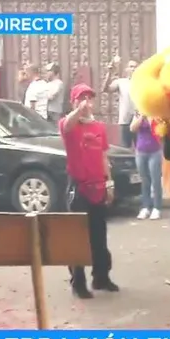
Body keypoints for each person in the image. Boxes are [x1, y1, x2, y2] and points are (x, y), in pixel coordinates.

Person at [60, 84, 120, 298]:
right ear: (73, 102)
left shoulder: (99, 128)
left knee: (99, 235)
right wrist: (79, 111)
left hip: (98, 186)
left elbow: (104, 157)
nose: (86, 103)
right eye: (81, 98)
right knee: (78, 236)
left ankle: (101, 277)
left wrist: (109, 183)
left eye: (89, 99)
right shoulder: (69, 126)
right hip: (79, 186)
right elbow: (67, 126)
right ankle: (78, 282)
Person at [130, 112, 163, 220]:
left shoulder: (157, 113)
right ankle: (145, 207)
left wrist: (151, 117)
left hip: (155, 151)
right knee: (144, 180)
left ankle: (157, 207)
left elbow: (160, 131)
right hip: (141, 151)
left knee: (155, 180)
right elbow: (132, 128)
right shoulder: (138, 113)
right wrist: (141, 117)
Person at [101, 56, 138, 148]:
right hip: (125, 120)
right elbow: (105, 89)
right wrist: (109, 73)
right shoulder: (121, 82)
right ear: (126, 69)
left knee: (140, 148)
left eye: (135, 67)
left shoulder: (142, 82)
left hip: (138, 120)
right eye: (131, 66)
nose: (133, 69)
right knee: (125, 148)